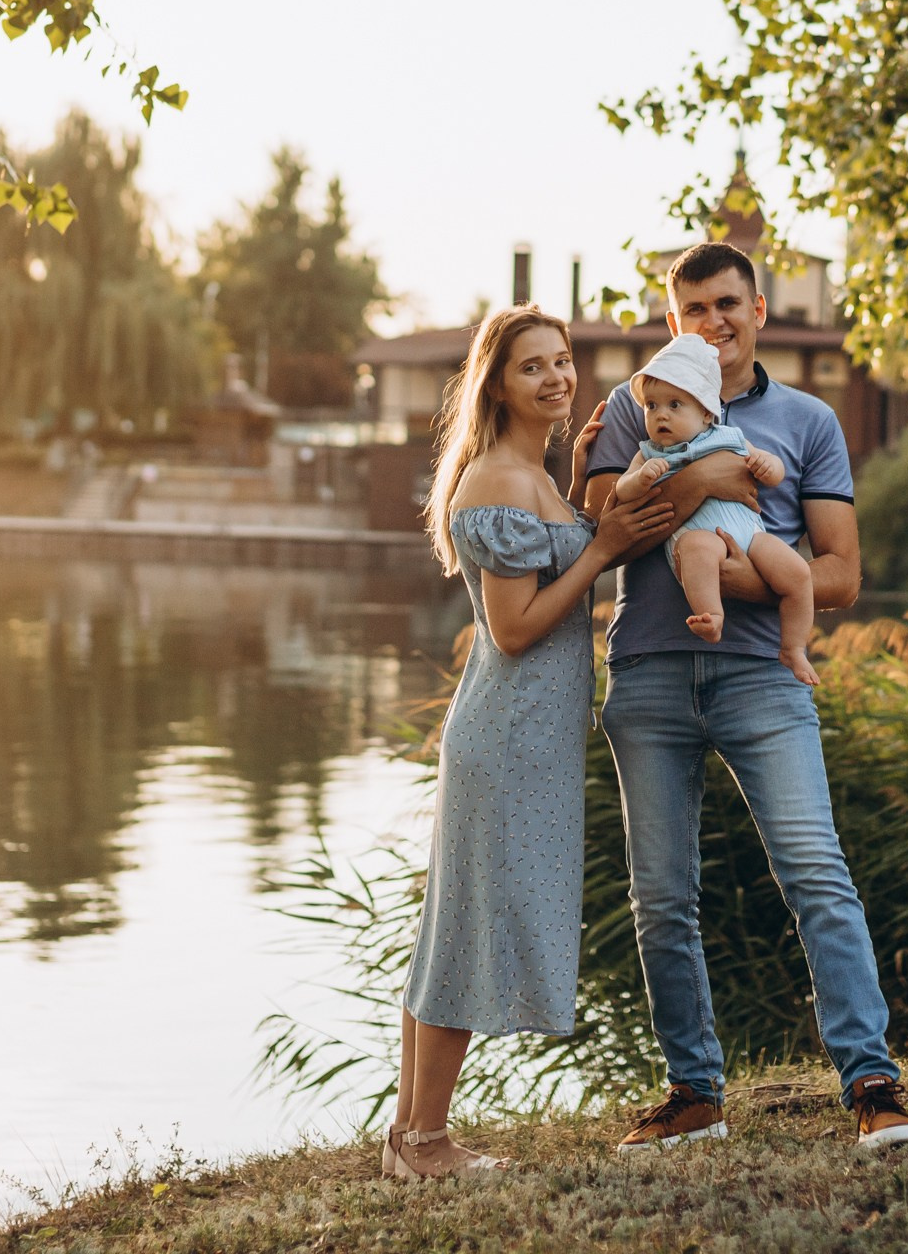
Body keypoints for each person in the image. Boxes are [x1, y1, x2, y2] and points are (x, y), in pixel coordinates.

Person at [583, 242, 908, 1153]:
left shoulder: (808, 420)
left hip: (763, 677)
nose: (713, 323)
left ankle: (873, 1084)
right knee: (661, 896)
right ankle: (694, 1095)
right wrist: (703, 479)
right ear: (672, 320)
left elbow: (842, 576)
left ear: (759, 308)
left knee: (815, 870)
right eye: (693, 309)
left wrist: (734, 579)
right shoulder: (631, 404)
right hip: (651, 674)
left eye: (728, 304)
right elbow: (602, 538)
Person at [385, 305, 675, 1181]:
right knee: (469, 932)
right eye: (532, 367)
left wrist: (589, 484)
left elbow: (564, 561)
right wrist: (605, 551)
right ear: (496, 384)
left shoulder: (536, 475)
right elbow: (512, 632)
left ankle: (409, 1140)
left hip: (527, 740)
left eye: (562, 362)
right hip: (507, 737)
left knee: (453, 930)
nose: (555, 378)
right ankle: (429, 1142)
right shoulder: (498, 482)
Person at [613, 332, 817, 685]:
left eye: (675, 405)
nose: (660, 415)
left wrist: (769, 467)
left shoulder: (730, 437)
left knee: (798, 573)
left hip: (751, 535)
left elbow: (771, 467)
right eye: (652, 406)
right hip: (697, 535)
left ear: (707, 413)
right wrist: (642, 478)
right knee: (698, 551)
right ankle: (711, 616)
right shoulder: (649, 453)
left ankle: (794, 647)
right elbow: (621, 490)